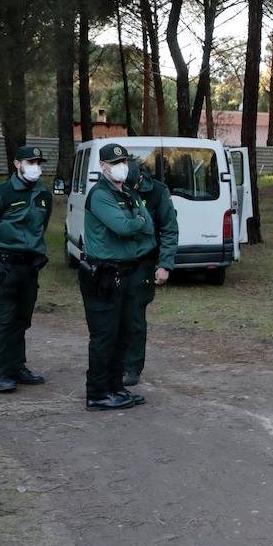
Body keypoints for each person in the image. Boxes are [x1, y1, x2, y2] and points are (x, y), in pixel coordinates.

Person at [79, 143, 157, 411]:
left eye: (124, 161)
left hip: (125, 272)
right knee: (104, 336)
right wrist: (136, 222)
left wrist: (136, 222)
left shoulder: (128, 194)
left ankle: (115, 387)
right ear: (102, 167)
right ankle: (98, 393)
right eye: (114, 163)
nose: (121, 167)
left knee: (123, 334)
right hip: (102, 274)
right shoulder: (100, 195)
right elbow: (125, 227)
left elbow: (149, 226)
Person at [0, 145, 52, 394]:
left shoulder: (43, 194)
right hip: (5, 265)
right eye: (30, 162)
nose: (35, 166)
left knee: (22, 319)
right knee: (4, 319)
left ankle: (17, 367)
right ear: (17, 164)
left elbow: (41, 227)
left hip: (30, 265)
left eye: (38, 161)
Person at [122, 160, 178, 387]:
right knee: (114, 315)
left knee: (135, 317)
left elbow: (169, 228)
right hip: (116, 261)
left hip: (143, 262)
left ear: (139, 179)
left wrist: (165, 265)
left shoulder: (158, 191)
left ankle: (132, 368)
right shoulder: (113, 188)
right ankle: (114, 363)